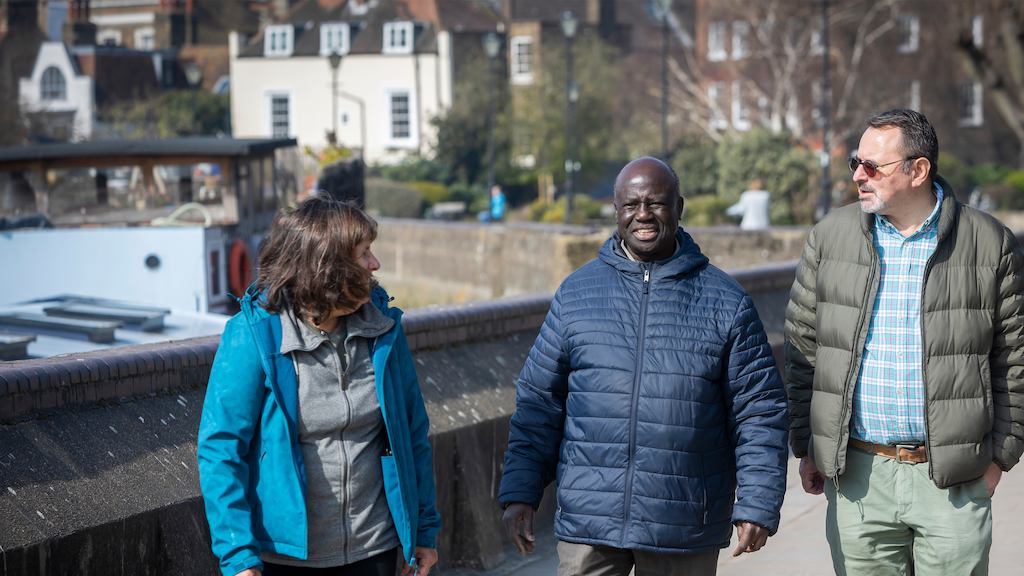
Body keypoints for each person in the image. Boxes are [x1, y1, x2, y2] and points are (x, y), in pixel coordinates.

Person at [498, 156, 789, 575]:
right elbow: (539, 403)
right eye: (631, 205)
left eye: (656, 203)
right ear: (616, 211)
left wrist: (758, 502)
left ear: (679, 207)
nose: (643, 215)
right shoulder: (577, 293)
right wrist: (520, 493)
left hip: (684, 521)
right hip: (590, 521)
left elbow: (759, 412)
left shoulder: (726, 301)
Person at [785, 108, 1024, 575]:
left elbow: (1014, 361)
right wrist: (808, 445)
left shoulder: (989, 243)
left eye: (873, 166)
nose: (858, 175)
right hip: (859, 477)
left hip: (955, 482)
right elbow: (803, 352)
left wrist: (998, 459)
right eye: (856, 162)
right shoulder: (828, 238)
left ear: (918, 170)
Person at [197, 196, 441, 576]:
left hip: (374, 548)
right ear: (327, 266)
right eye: (363, 254)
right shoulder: (254, 335)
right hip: (285, 556)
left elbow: (413, 436)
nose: (375, 265)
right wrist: (238, 556)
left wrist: (423, 531)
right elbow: (220, 448)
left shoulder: (384, 331)